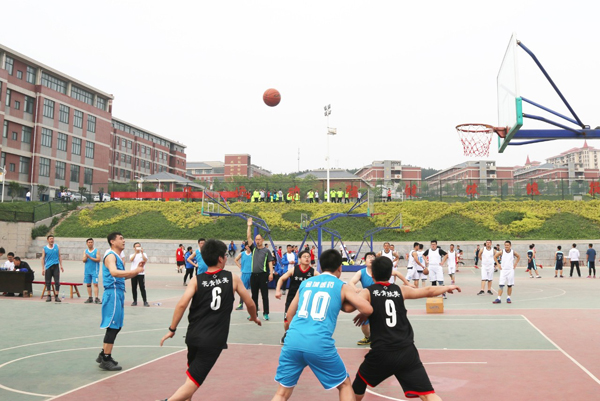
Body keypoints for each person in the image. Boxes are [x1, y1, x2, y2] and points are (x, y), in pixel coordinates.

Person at [159, 239, 261, 401]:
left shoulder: (196, 280)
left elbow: (182, 305)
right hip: (213, 339)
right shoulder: (232, 278)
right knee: (193, 382)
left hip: (193, 336)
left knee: (191, 376)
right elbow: (250, 303)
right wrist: (254, 317)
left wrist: (172, 329)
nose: (226, 257)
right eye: (225, 255)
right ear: (220, 259)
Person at [352, 256, 460, 401]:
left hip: (382, 352)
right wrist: (446, 287)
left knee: (359, 383)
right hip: (406, 351)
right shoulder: (400, 290)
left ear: (372, 275)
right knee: (427, 394)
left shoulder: (367, 292)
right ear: (391, 274)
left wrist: (365, 311)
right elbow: (428, 290)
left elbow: (353, 304)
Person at [271, 249, 373, 401]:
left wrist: (293, 333)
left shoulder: (305, 283)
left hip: (292, 340)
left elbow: (289, 315)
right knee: (344, 385)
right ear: (340, 267)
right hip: (318, 342)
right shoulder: (341, 285)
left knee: (282, 392)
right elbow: (367, 309)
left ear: (320, 265)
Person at [98, 232, 144, 371]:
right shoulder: (111, 256)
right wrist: (135, 271)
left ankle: (103, 354)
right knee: (112, 326)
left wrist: (135, 272)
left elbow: (120, 276)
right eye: (120, 238)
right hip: (112, 293)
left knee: (116, 326)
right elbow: (114, 272)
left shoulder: (117, 256)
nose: (124, 241)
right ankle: (106, 359)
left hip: (117, 292)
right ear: (112, 242)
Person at [348, 252, 412, 346]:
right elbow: (351, 282)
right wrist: (356, 289)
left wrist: (408, 283)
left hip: (381, 299)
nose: (371, 258)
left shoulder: (380, 271)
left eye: (373, 257)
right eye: (369, 257)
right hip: (368, 301)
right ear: (365, 261)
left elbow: (397, 273)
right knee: (364, 324)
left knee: (383, 320)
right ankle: (368, 337)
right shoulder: (361, 272)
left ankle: (387, 337)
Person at [275, 250, 319, 345]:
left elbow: (323, 280)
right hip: (292, 299)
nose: (307, 258)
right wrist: (278, 290)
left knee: (306, 321)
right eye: (304, 256)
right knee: (287, 321)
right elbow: (281, 279)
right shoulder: (294, 270)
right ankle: (287, 334)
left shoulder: (313, 272)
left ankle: (304, 337)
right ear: (299, 259)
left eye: (308, 256)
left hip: (306, 301)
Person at [247, 218, 275, 320]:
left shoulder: (266, 251)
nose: (257, 241)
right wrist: (249, 226)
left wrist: (271, 273)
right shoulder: (253, 249)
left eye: (259, 239)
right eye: (256, 239)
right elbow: (248, 237)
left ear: (262, 240)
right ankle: (253, 314)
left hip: (263, 275)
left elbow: (270, 262)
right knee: (254, 296)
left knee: (264, 295)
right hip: (253, 276)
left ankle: (266, 313)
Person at [41, 235, 64, 303]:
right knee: (48, 281)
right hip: (48, 267)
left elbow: (59, 256)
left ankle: (56, 296)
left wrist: (61, 265)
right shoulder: (45, 248)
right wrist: (43, 268)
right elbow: (43, 258)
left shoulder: (57, 247)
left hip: (56, 266)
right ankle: (49, 295)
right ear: (47, 240)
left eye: (52, 239)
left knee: (57, 281)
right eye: (50, 239)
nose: (52, 240)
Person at [82, 238, 102, 304]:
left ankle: (96, 298)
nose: (90, 243)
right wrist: (86, 257)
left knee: (95, 284)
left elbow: (98, 259)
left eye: (91, 242)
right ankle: (90, 297)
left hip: (94, 270)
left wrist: (90, 257)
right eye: (89, 242)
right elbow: (83, 260)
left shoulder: (96, 251)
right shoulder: (85, 251)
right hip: (87, 270)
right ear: (87, 243)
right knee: (88, 284)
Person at [234, 241, 253, 310]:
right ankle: (241, 304)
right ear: (245, 246)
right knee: (242, 290)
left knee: (254, 290)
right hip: (244, 274)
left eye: (250, 246)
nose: (249, 247)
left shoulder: (253, 254)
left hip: (252, 274)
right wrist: (240, 267)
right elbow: (236, 260)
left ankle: (255, 304)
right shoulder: (242, 254)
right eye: (248, 246)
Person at [130, 242, 149, 307]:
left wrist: (142, 253)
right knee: (134, 287)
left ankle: (145, 301)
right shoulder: (132, 255)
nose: (138, 247)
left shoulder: (144, 254)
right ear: (134, 248)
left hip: (141, 273)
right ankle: (134, 301)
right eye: (136, 246)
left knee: (142, 287)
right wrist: (135, 253)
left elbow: (145, 260)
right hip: (133, 273)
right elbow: (131, 259)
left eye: (139, 246)